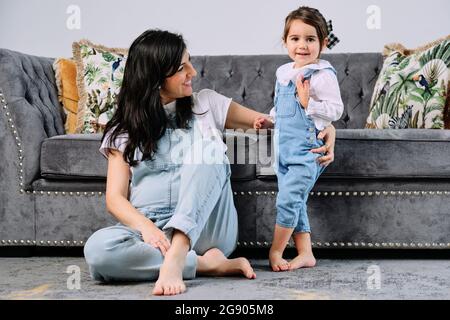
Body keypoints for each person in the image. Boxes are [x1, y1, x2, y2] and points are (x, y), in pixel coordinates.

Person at [83, 29, 336, 296]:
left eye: (190, 61)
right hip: (154, 232)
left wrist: (326, 127)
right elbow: (115, 198)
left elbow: (278, 124)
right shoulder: (122, 129)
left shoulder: (206, 103)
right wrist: (147, 230)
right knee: (98, 251)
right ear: (155, 78)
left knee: (208, 149)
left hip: (208, 228)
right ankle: (204, 264)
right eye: (182, 67)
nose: (193, 72)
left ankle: (179, 255)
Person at [254, 6, 343, 272]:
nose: (302, 45)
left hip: (308, 152)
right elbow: (281, 108)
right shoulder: (284, 73)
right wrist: (269, 119)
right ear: (285, 42)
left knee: (288, 200)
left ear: (323, 43)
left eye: (310, 39)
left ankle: (276, 251)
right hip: (284, 152)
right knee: (297, 200)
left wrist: (310, 104)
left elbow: (336, 110)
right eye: (295, 39)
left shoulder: (323, 75)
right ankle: (306, 253)